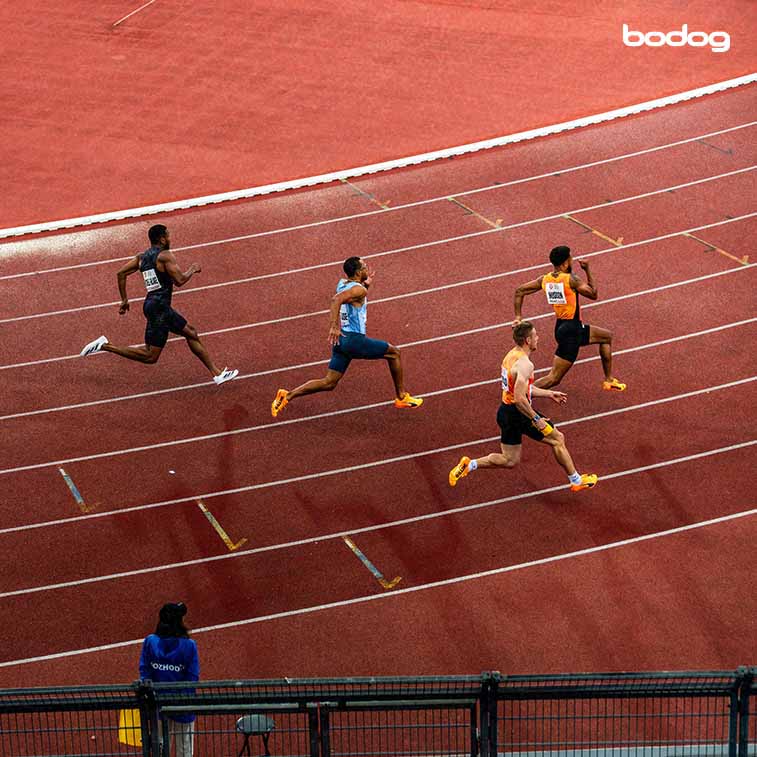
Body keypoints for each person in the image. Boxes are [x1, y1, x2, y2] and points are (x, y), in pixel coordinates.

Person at [80, 224, 238, 385]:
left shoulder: (141, 258)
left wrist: (125, 300)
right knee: (150, 356)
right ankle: (105, 345)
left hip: (154, 305)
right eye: (168, 235)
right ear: (162, 239)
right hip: (159, 309)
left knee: (191, 332)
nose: (170, 238)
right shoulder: (165, 256)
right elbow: (180, 281)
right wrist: (192, 269)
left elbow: (121, 273)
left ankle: (217, 373)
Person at [448, 320, 597, 491]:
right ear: (527, 340)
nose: (538, 338)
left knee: (510, 460)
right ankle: (576, 481)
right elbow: (520, 398)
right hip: (520, 414)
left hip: (505, 412)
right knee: (557, 439)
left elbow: (520, 390)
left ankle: (470, 464)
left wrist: (548, 393)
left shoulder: (511, 356)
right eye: (535, 336)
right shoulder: (525, 364)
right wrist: (536, 418)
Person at [271, 256, 423, 416]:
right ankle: (401, 397)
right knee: (394, 353)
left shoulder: (343, 283)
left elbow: (350, 299)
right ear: (358, 272)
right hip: (353, 340)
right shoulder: (359, 290)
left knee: (329, 382)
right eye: (364, 267)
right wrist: (333, 326)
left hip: (341, 341)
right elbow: (336, 300)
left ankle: (287, 395)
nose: (366, 268)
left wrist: (365, 285)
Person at [513, 245, 626, 391]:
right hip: (571, 331)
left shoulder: (545, 279)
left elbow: (519, 291)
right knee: (554, 378)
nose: (572, 261)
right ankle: (521, 393)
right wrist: (587, 270)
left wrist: (518, 316)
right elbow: (593, 294)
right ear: (565, 263)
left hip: (563, 327)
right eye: (570, 259)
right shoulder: (571, 280)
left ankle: (608, 379)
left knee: (606, 336)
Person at [139, 602, 199, 757]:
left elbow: (145, 671)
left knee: (159, 747)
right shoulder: (189, 646)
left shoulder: (150, 641)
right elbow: (192, 678)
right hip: (182, 706)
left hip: (157, 704)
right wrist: (180, 700)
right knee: (184, 750)